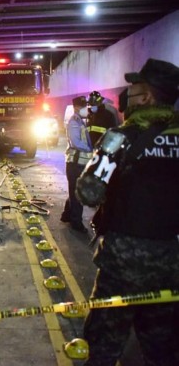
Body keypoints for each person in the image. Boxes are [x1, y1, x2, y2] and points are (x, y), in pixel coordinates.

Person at [76, 58, 179, 366]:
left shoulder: (120, 138)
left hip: (122, 264)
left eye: (133, 90)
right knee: (162, 347)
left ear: (147, 98)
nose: (126, 96)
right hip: (170, 263)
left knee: (103, 345)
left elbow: (89, 191)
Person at [60, 95, 93, 233]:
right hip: (75, 163)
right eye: (84, 106)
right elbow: (76, 143)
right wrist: (91, 149)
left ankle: (67, 215)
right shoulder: (74, 122)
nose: (86, 108)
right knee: (77, 194)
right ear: (77, 107)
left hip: (79, 163)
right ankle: (76, 223)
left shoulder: (81, 121)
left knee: (74, 191)